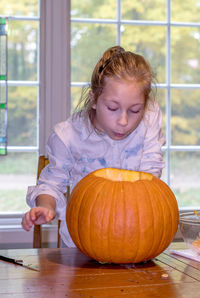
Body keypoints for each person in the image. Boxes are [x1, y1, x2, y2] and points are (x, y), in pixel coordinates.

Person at [21, 45, 165, 247]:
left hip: (137, 240)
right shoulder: (68, 135)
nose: (123, 121)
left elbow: (151, 174)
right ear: (94, 99)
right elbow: (52, 184)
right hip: (82, 245)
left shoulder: (149, 120)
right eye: (112, 108)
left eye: (134, 110)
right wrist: (45, 206)